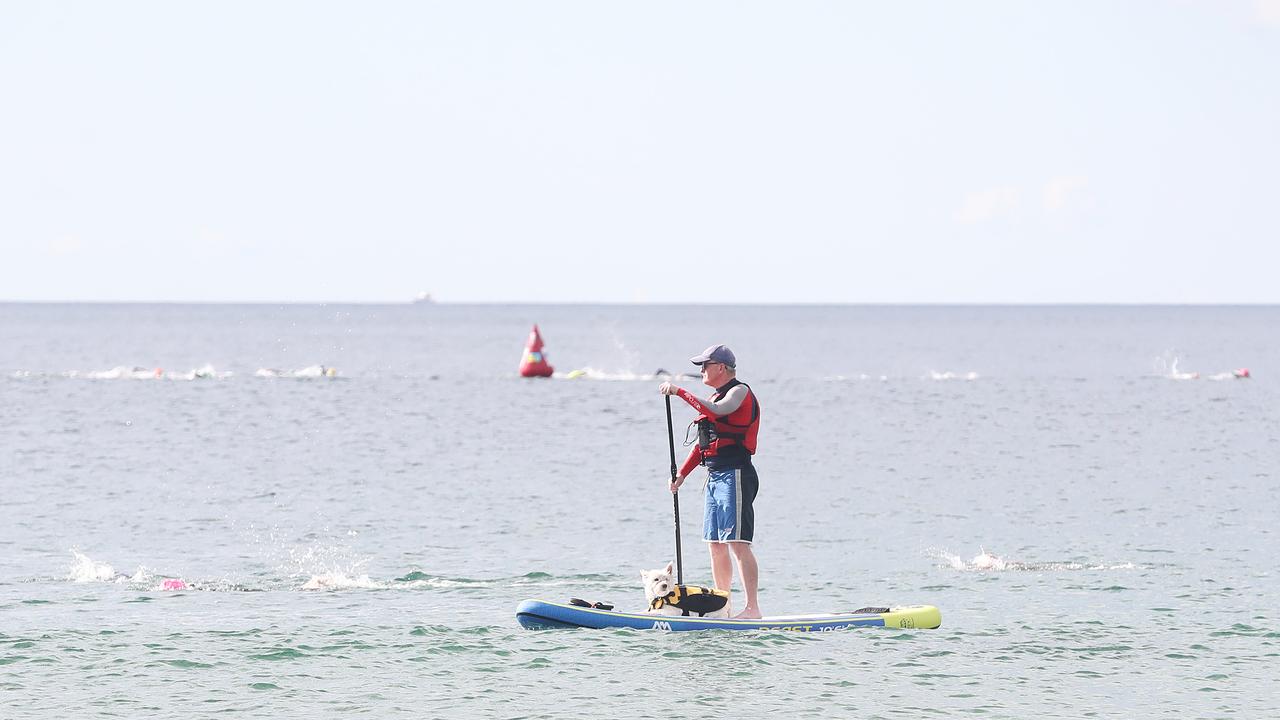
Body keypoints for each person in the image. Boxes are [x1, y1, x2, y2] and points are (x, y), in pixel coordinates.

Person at [659, 344, 763, 619]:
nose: (702, 370)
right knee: (715, 544)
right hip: (714, 477)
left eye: (705, 365)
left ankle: (753, 608)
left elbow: (718, 411)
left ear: (721, 368)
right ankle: (723, 606)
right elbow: (703, 445)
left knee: (738, 543)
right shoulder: (713, 397)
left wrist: (680, 392)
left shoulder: (739, 391)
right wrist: (681, 474)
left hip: (736, 474)